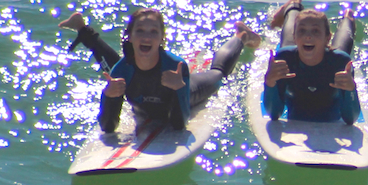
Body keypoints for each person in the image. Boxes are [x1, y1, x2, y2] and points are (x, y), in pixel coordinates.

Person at [60, 9, 260, 133]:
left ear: (162, 39)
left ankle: (241, 36)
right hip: (138, 91)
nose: (146, 37)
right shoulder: (122, 69)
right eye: (140, 31)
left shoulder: (175, 67)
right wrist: (109, 96)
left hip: (187, 94)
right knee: (116, 67)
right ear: (129, 36)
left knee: (218, 75)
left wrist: (179, 89)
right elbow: (108, 128)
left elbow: (179, 125)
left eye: (153, 32)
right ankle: (84, 31)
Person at [262, 0, 361, 124]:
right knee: (286, 40)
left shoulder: (340, 63)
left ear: (327, 38)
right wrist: (269, 82)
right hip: (295, 103)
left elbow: (350, 119)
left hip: (331, 64)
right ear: (295, 37)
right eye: (301, 31)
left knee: (342, 47)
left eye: (315, 31)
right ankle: (293, 4)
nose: (308, 36)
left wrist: (350, 89)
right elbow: (274, 114)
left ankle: (348, 17)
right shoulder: (285, 59)